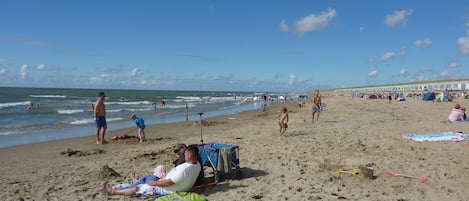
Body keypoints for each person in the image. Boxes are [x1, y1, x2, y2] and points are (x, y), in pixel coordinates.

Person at [103, 144, 202, 197]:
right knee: (144, 182)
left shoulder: (185, 170)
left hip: (166, 190)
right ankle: (126, 185)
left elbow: (169, 183)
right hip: (175, 185)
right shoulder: (197, 164)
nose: (184, 156)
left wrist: (155, 183)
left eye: (185, 154)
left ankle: (113, 192)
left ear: (190, 155)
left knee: (138, 188)